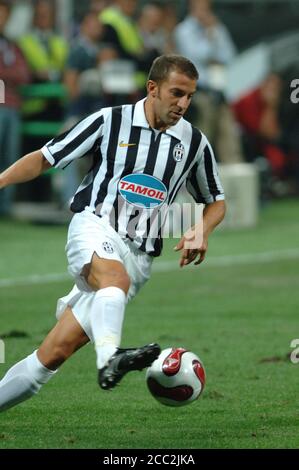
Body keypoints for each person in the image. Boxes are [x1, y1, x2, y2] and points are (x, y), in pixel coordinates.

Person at [0, 54, 226, 412]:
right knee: (113, 280)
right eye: (176, 93)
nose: (183, 104)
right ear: (152, 88)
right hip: (95, 225)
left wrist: (202, 229)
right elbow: (46, 157)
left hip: (139, 260)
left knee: (50, 357)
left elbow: (216, 201)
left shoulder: (194, 144)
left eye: (189, 96)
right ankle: (111, 358)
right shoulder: (110, 121)